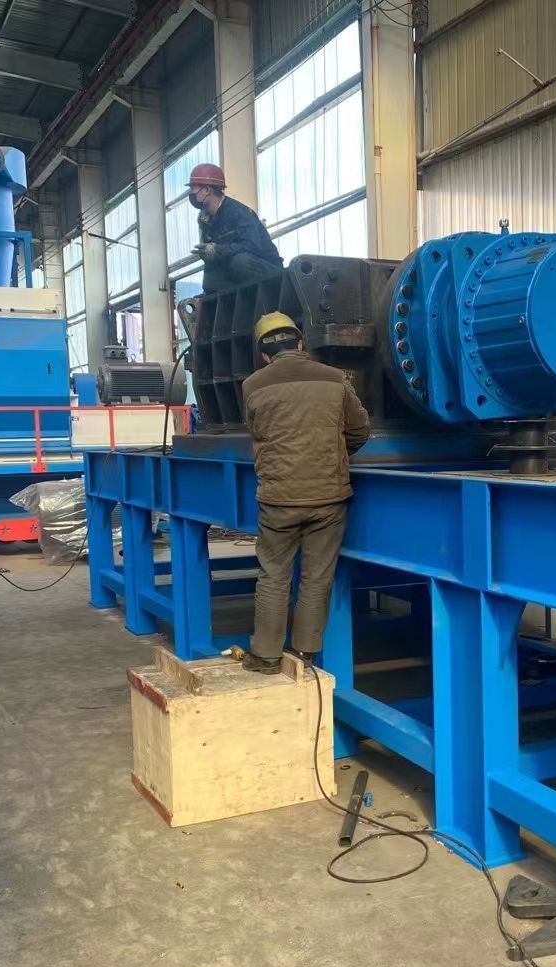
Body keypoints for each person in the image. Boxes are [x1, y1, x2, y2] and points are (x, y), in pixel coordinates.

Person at [241, 311, 370, 674]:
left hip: (278, 498)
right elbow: (360, 429)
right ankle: (304, 654)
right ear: (300, 343)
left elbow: (256, 431)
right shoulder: (334, 378)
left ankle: (266, 655)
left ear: (264, 354)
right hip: (328, 497)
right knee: (316, 577)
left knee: (273, 575)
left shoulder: (252, 385)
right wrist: (335, 456)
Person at [187, 164, 284, 294]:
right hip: (237, 272)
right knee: (210, 277)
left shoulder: (239, 213)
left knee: (240, 261)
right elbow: (213, 255)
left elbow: (252, 246)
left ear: (206, 190)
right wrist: (208, 253)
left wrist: (217, 250)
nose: (191, 193)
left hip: (270, 272)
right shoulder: (204, 219)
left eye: (193, 188)